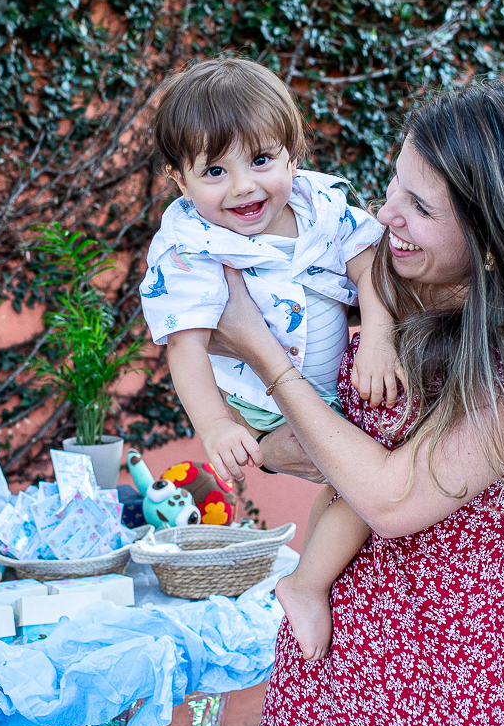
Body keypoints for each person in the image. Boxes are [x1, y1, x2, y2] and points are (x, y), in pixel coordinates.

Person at [206, 79, 504, 726]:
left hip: (450, 665)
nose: (384, 215)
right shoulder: (392, 287)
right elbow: (321, 442)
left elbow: (391, 498)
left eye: (418, 205)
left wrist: (263, 356)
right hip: (334, 645)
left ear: (496, 230)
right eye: (393, 190)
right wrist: (267, 441)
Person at [139, 58, 400, 658]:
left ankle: (309, 582)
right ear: (179, 180)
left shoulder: (319, 207)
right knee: (360, 475)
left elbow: (369, 265)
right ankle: (307, 586)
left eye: (260, 161)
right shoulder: (192, 248)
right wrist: (215, 425)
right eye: (214, 171)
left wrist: (380, 336)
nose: (244, 188)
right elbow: (186, 346)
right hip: (259, 405)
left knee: (356, 477)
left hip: (333, 387)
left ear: (291, 154)